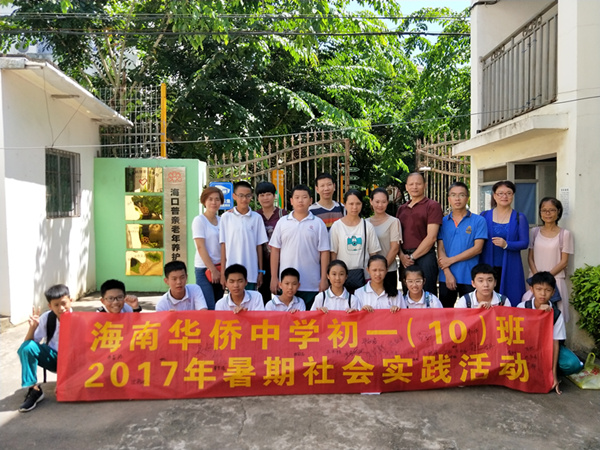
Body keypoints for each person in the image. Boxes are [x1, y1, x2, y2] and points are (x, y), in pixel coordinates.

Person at [517, 271, 583, 394]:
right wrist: (537, 314)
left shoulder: (556, 314)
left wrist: (553, 375)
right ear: (532, 289)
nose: (543, 294)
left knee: (572, 364)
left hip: (548, 348)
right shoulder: (522, 307)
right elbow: (517, 334)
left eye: (547, 290)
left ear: (553, 292)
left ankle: (549, 371)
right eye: (539, 289)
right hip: (527, 347)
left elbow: (555, 343)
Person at [269, 185, 330, 310]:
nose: (300, 201)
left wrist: (324, 278)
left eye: (304, 197)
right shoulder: (282, 222)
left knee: (309, 319)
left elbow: (324, 252)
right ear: (291, 201)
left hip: (311, 284)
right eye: (297, 197)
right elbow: (275, 250)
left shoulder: (318, 223)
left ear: (310, 200)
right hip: (286, 285)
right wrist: (274, 277)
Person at [16, 284, 72, 412]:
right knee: (27, 347)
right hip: (53, 359)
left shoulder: (81, 319)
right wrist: (32, 328)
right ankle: (34, 389)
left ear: (71, 300)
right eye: (56, 305)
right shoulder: (47, 318)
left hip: (74, 362)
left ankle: (69, 380)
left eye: (64, 303)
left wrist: (62, 381)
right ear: (50, 306)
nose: (61, 308)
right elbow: (27, 346)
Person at [437, 182, 488, 307]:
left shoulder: (479, 220)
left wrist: (450, 260)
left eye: (461, 195)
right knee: (445, 312)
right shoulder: (442, 222)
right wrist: (447, 273)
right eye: (453, 195)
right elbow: (440, 248)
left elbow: (477, 248)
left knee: (471, 312)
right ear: (449, 199)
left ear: (467, 198)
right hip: (446, 276)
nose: (457, 199)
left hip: (469, 276)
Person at [479, 180, 529, 305]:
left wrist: (507, 245)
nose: (504, 196)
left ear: (513, 195)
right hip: (487, 264)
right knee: (486, 300)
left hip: (510, 266)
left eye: (508, 193)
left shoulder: (519, 217)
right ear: (494, 196)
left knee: (510, 300)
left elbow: (524, 243)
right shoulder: (484, 216)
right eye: (500, 193)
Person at [526, 197, 573, 322]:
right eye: (544, 210)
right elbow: (530, 257)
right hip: (535, 278)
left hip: (556, 280)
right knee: (533, 316)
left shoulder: (565, 234)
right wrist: (538, 278)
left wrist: (546, 278)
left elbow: (564, 261)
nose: (548, 213)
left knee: (555, 317)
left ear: (558, 211)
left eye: (552, 210)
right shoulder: (534, 232)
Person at [396, 172, 443, 296]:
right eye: (411, 184)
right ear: (406, 187)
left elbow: (431, 237)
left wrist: (412, 257)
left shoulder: (432, 206)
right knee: (407, 294)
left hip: (425, 257)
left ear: (425, 185)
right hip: (405, 258)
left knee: (427, 294)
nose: (414, 187)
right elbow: (397, 236)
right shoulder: (402, 209)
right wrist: (401, 256)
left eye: (418, 184)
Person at [219, 180, 268, 291]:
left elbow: (259, 246)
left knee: (250, 300)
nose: (244, 199)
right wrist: (223, 273)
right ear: (234, 196)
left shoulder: (256, 218)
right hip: (232, 272)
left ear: (251, 197)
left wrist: (260, 271)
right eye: (241, 196)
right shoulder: (226, 217)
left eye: (248, 196)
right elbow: (223, 245)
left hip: (251, 272)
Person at [330, 189, 381, 293]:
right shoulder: (337, 226)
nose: (354, 207)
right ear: (345, 204)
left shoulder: (367, 226)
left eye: (358, 203)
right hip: (341, 277)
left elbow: (373, 253)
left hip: (364, 277)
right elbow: (333, 254)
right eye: (351, 204)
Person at [192, 186, 225, 310]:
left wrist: (222, 271)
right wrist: (213, 270)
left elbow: (224, 246)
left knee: (219, 305)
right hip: (204, 269)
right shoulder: (199, 220)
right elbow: (200, 247)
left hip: (220, 267)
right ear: (204, 201)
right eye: (210, 199)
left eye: (217, 199)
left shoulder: (222, 220)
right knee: (208, 306)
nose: (213, 202)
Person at [256, 181, 288, 304]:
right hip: (261, 263)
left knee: (282, 296)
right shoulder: (255, 215)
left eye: (268, 194)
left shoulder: (283, 214)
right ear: (258, 198)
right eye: (262, 195)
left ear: (274, 196)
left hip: (280, 262)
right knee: (263, 297)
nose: (265, 198)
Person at [367, 188, 402, 295]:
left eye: (383, 202)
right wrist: (373, 270)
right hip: (369, 272)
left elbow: (395, 248)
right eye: (377, 201)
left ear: (387, 202)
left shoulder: (394, 222)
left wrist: (382, 269)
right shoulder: (365, 223)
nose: (380, 205)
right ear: (371, 201)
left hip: (388, 270)